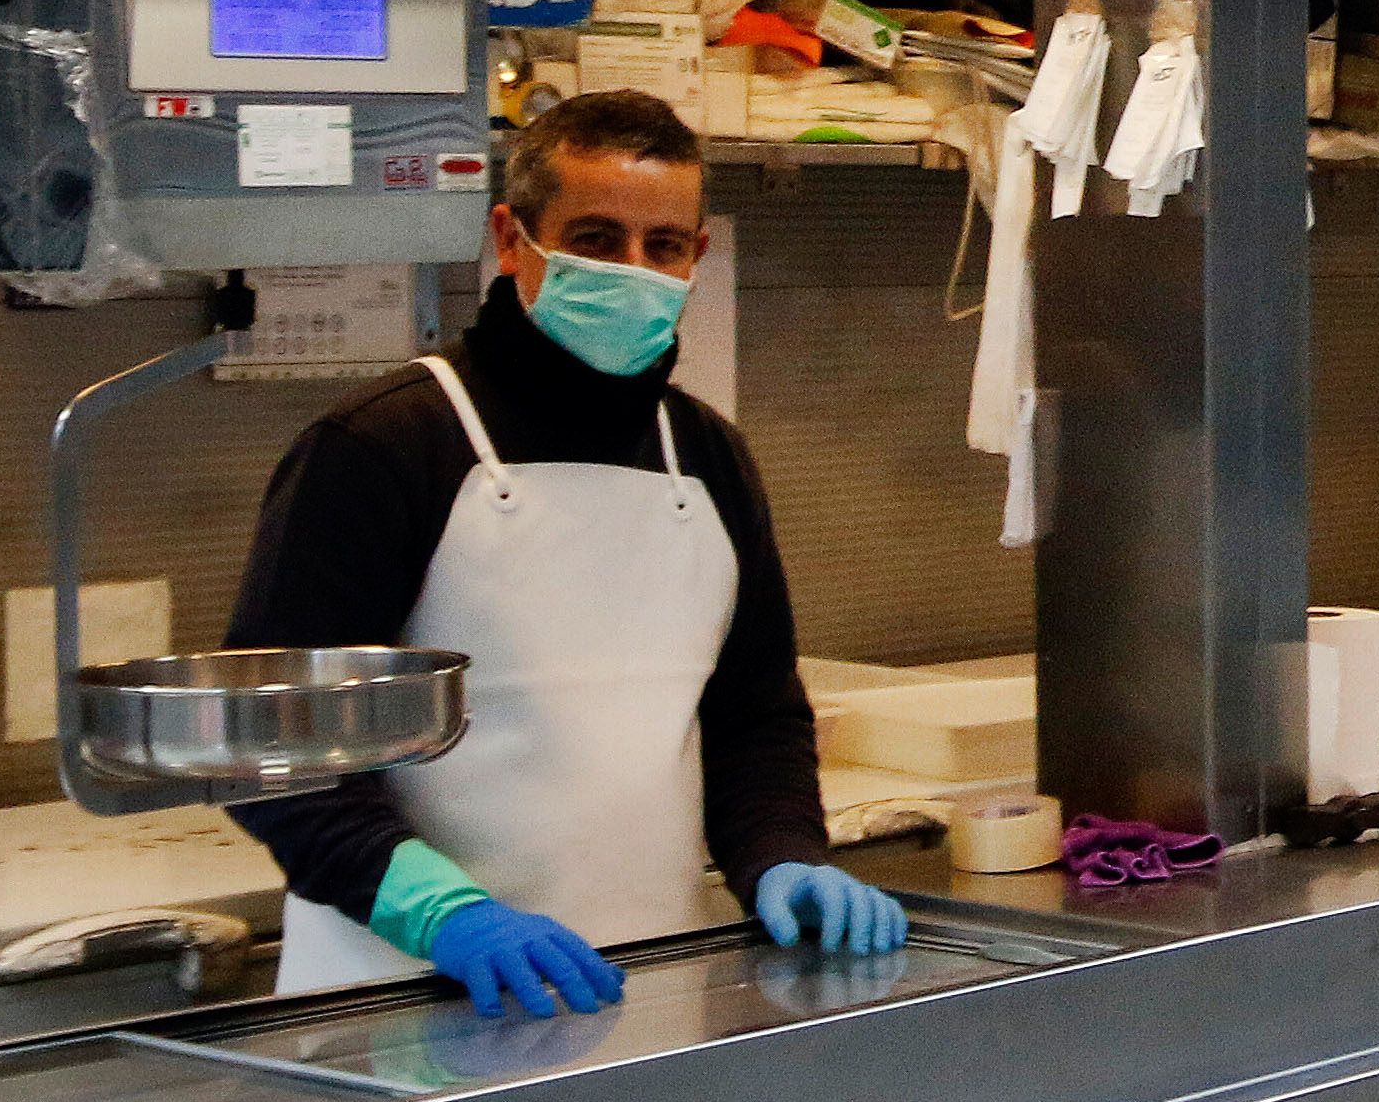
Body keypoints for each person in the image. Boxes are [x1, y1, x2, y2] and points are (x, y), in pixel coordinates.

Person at [222, 89, 909, 1017]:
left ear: (696, 256)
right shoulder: (381, 446)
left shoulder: (707, 454)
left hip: (650, 981)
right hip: (400, 995)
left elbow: (756, 717)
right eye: (594, 239)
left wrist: (784, 853)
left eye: (663, 247)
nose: (634, 269)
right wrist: (444, 914)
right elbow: (276, 751)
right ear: (512, 240)